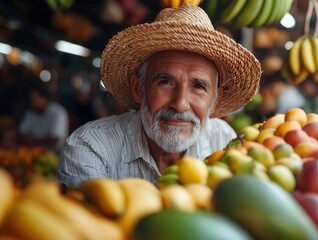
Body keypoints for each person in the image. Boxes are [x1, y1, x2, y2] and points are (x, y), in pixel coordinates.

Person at [57, 4, 262, 188]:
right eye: (165, 82)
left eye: (199, 86)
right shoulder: (91, 147)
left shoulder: (224, 140)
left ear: (215, 100)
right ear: (138, 89)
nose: (180, 104)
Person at [18, 83, 69, 153]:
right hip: (34, 152)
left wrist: (33, 141)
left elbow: (55, 138)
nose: (32, 102)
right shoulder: (31, 113)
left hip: (56, 153)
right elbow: (22, 131)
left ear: (44, 98)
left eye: (34, 99)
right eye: (31, 100)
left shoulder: (57, 112)